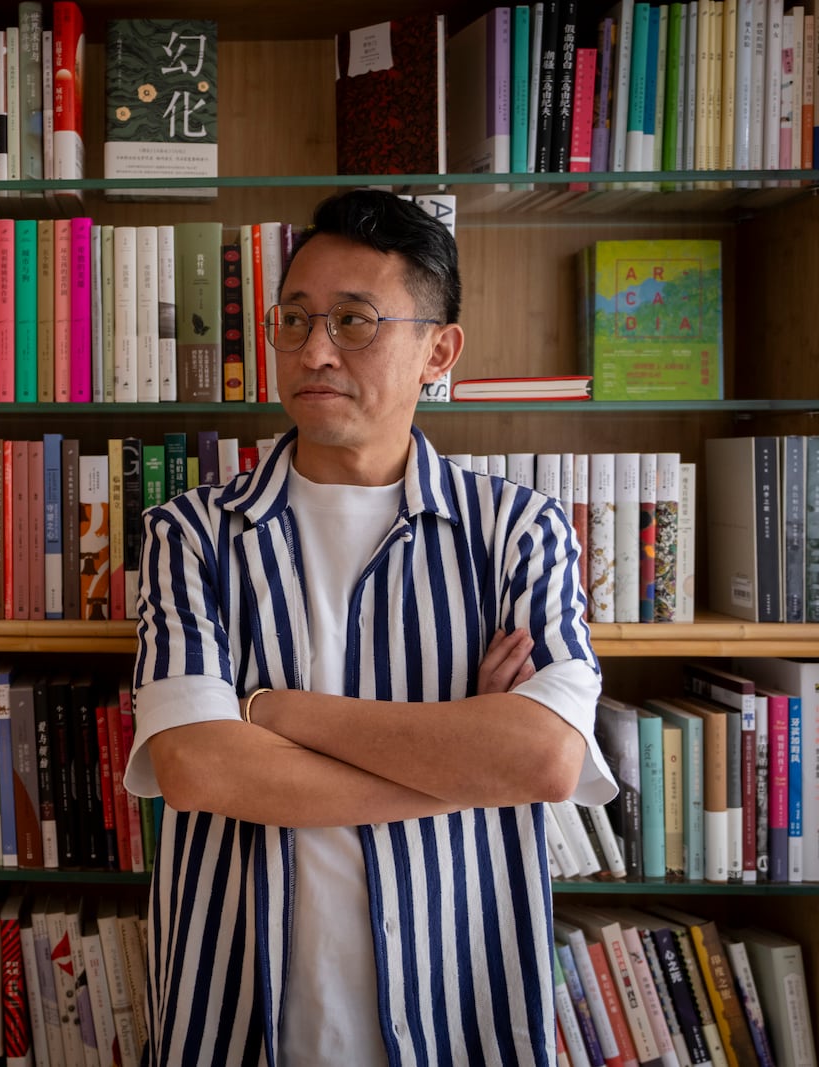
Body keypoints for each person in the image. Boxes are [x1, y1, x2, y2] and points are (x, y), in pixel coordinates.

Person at [126, 189, 618, 1066]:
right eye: (296, 319)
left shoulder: (519, 532)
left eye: (355, 321)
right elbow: (196, 766)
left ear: (440, 349)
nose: (315, 350)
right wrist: (467, 762)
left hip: (460, 1018)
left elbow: (544, 760)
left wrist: (276, 712)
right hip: (236, 1015)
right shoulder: (189, 533)